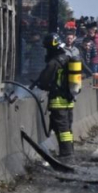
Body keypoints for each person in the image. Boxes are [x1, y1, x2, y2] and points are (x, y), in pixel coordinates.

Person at [36, 33, 76, 162]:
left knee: (62, 128)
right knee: (67, 128)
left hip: (58, 100)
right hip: (69, 100)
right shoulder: (67, 58)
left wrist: (41, 84)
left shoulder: (54, 62)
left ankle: (66, 154)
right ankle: (70, 152)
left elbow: (44, 81)